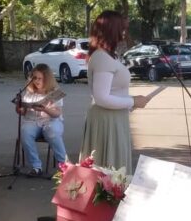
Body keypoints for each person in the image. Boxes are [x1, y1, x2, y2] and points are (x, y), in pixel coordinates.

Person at [80, 10, 149, 172]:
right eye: (121, 28)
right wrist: (132, 101)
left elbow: (114, 92)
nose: (124, 32)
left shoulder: (110, 56)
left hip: (114, 118)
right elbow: (101, 98)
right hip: (106, 121)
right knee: (107, 173)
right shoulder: (102, 57)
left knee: (115, 172)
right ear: (111, 29)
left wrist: (131, 103)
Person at [17, 63, 68, 177]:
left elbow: (57, 114)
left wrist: (45, 109)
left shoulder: (55, 92)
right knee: (25, 132)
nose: (36, 81)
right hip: (32, 121)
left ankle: (65, 166)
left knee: (52, 131)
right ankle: (36, 167)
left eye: (40, 78)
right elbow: (22, 112)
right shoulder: (28, 92)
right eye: (34, 78)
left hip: (51, 121)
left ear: (47, 79)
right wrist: (19, 106)